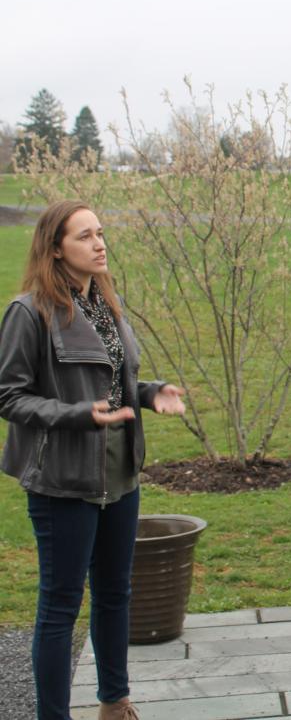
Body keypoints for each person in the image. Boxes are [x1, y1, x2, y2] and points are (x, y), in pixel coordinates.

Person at [0, 200, 187, 720]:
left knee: (114, 593)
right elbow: (9, 397)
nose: (99, 243)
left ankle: (114, 702)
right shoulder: (28, 312)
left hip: (121, 473)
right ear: (55, 248)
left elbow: (114, 384)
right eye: (85, 236)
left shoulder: (107, 304)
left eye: (100, 233)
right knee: (60, 606)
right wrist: (79, 415)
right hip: (64, 480)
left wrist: (150, 393)